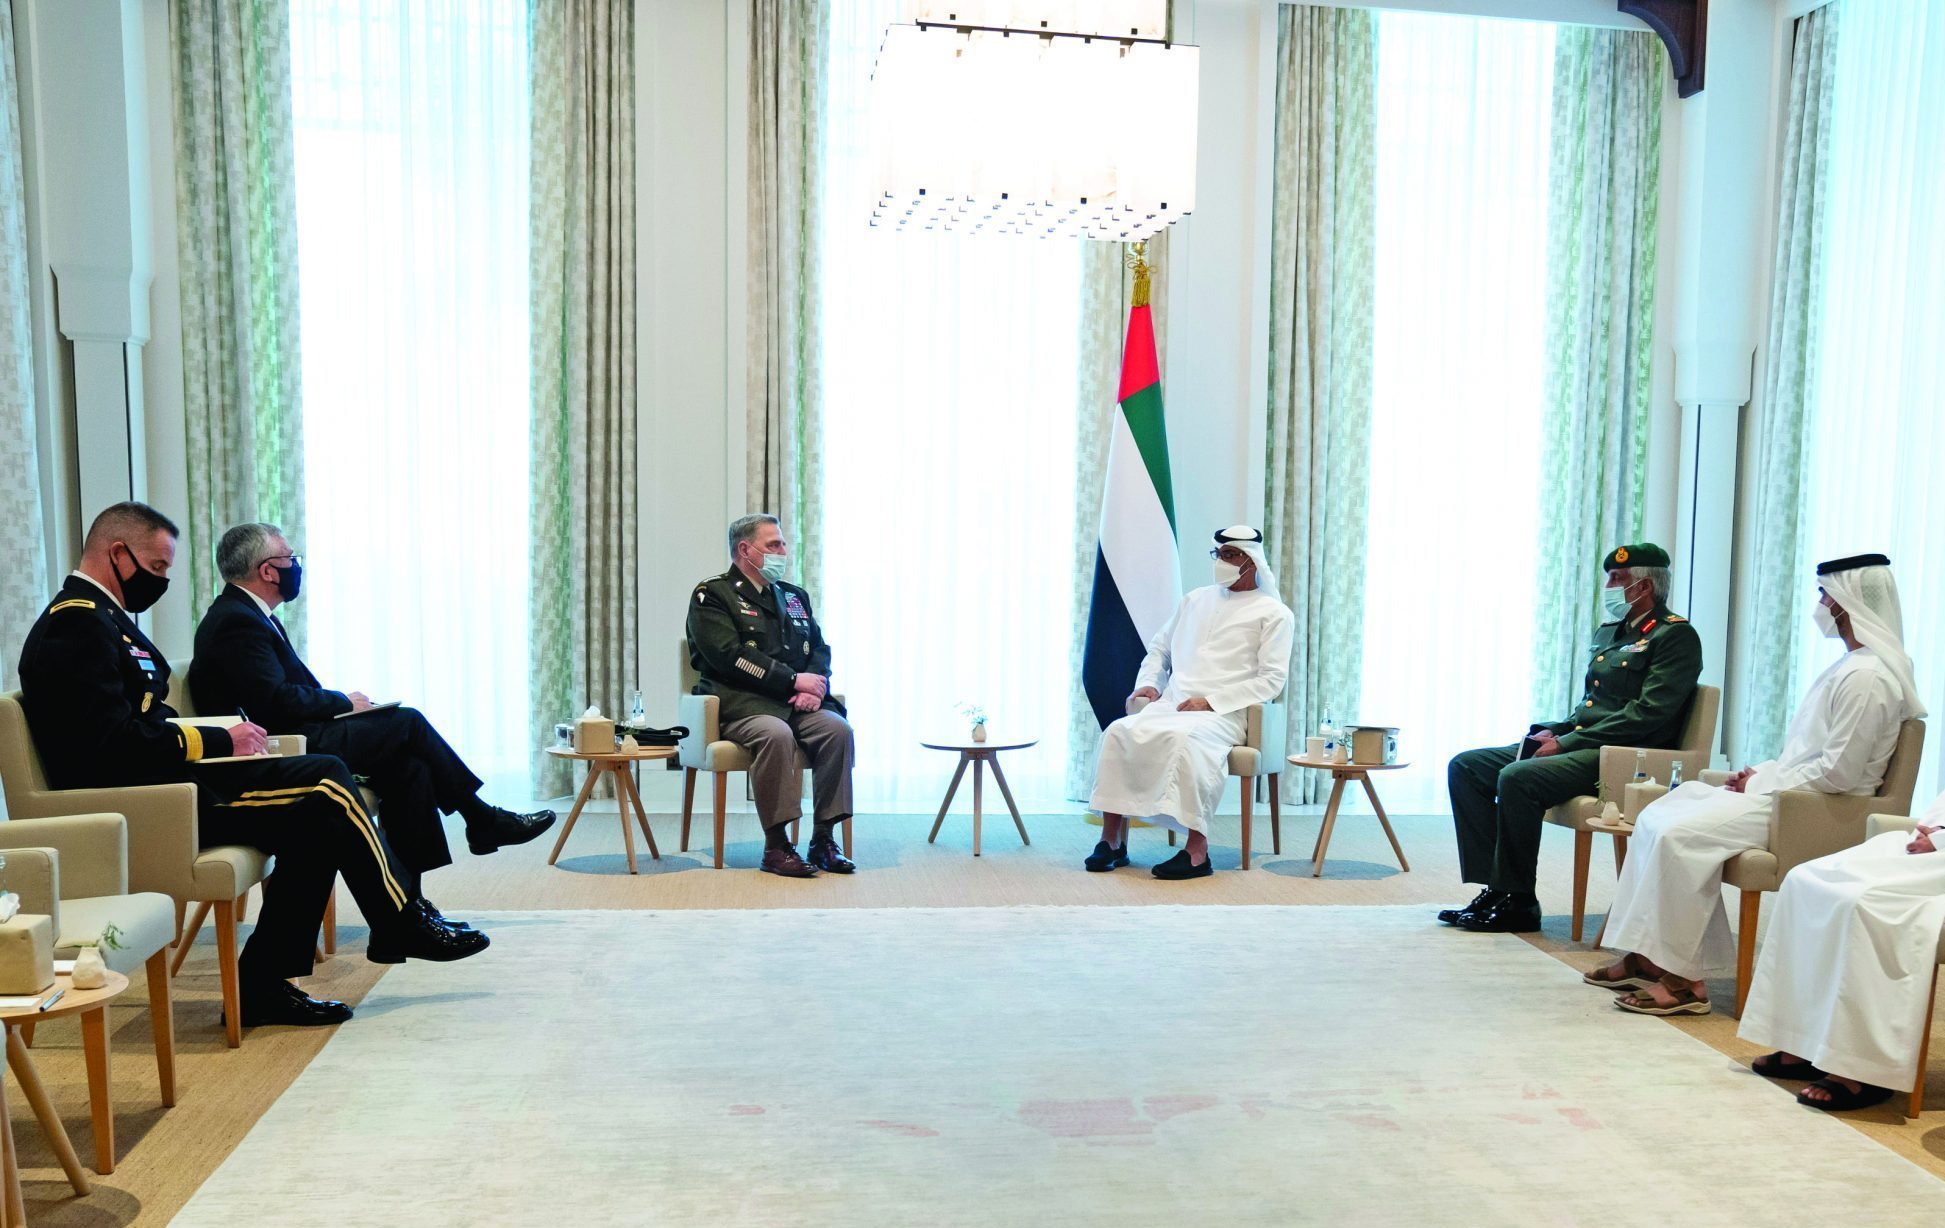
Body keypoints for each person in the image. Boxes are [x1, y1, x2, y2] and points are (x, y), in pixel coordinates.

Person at [16, 503, 486, 1030]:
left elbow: (141, 725)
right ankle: (400, 919)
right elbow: (114, 747)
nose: (163, 580)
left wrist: (222, 741)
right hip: (145, 804)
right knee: (326, 782)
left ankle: (263, 984)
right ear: (117, 553)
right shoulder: (74, 626)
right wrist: (219, 737)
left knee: (318, 813)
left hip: (165, 783)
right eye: (158, 567)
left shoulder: (100, 618)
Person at [1589, 554, 1924, 1017]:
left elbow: (1839, 774)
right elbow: (1813, 754)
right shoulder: (1854, 665)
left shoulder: (1868, 677)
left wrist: (1763, 781)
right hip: (1792, 792)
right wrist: (1762, 773)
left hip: (1817, 808)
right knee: (1661, 812)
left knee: (1678, 834)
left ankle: (1686, 982)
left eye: (1825, 595)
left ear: (1846, 603)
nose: (1821, 604)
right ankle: (1652, 957)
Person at [189, 522, 555, 901]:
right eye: (290, 558)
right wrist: (345, 703)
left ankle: (409, 905)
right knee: (408, 722)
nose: (296, 566)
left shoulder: (251, 614)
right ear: (267, 570)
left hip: (298, 734)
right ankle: (481, 819)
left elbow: (279, 695)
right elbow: (276, 702)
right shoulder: (236, 620)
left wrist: (345, 709)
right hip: (282, 748)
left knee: (409, 768)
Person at [1442, 544, 1702, 932]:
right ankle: (1495, 888)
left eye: (1617, 579)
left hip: (1626, 756)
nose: (1609, 585)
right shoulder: (1612, 633)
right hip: (1585, 742)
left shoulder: (1675, 636)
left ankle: (1519, 901)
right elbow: (1592, 706)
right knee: (1468, 767)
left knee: (1518, 778)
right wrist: (1557, 730)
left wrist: (1566, 744)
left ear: (1644, 586)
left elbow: (1648, 715)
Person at [1086, 526, 1295, 880]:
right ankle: (1112, 841)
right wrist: (1149, 685)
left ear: (1250, 560)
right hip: (1173, 705)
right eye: (1218, 555)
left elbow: (1271, 680)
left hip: (1226, 713)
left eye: (1229, 556)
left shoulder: (1274, 614)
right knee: (1119, 733)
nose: (1221, 563)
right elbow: (1160, 648)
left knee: (1187, 742)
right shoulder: (1195, 599)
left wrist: (1211, 702)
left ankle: (1197, 851)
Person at [1737, 789, 1945, 1112]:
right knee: (1803, 880)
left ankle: (1861, 1066)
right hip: (1922, 848)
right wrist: (1927, 832)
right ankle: (1803, 1041)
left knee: (1863, 905)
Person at [686, 514, 854, 878]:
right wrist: (794, 681)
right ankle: (776, 846)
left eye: (782, 543)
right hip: (743, 704)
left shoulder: (793, 596)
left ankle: (823, 839)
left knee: (837, 730)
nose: (783, 551)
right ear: (745, 550)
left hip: (797, 704)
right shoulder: (712, 595)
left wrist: (816, 686)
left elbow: (819, 650)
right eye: (773, 545)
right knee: (775, 734)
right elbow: (729, 657)